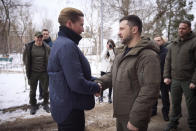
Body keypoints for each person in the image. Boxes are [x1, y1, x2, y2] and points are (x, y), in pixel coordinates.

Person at [96, 15, 161, 131]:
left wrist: (136, 119)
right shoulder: (122, 54)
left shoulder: (148, 56)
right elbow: (113, 74)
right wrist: (100, 83)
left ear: (134, 30)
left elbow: (150, 90)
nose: (118, 32)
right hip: (121, 114)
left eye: (122, 29)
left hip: (133, 117)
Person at [47, 7, 101, 131]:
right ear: (69, 23)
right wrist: (96, 87)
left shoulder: (59, 42)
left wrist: (95, 80)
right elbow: (76, 83)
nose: (83, 29)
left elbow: (68, 76)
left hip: (64, 107)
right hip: (70, 111)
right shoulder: (67, 46)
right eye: (81, 25)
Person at [164, 20, 196, 131]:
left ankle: (193, 125)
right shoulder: (173, 44)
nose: (180, 30)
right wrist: (166, 76)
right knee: (175, 103)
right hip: (175, 80)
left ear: (189, 29)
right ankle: (173, 123)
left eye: (184, 28)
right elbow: (168, 61)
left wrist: (194, 81)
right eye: (179, 28)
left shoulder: (194, 42)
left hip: (189, 80)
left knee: (191, 105)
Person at [23, 31, 50, 115]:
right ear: (34, 38)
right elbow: (25, 59)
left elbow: (50, 58)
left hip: (44, 73)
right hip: (33, 73)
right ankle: (33, 105)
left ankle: (45, 104)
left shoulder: (46, 47)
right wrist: (29, 68)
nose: (39, 39)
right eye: (37, 37)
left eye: (40, 37)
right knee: (32, 91)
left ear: (42, 38)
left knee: (46, 90)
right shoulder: (29, 48)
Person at [151, 36, 170, 121]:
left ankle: (165, 113)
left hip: (164, 77)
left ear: (162, 41)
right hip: (153, 77)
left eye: (158, 40)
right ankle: (153, 111)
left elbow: (169, 65)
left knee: (165, 97)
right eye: (155, 41)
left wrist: (168, 76)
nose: (157, 42)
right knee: (154, 96)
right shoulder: (151, 52)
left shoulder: (166, 51)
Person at [99, 39, 115, 103]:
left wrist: (111, 50)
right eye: (108, 44)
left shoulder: (113, 51)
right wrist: (106, 49)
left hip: (109, 71)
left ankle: (109, 97)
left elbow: (113, 58)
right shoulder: (104, 50)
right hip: (103, 70)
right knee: (101, 84)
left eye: (110, 44)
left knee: (110, 85)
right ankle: (101, 97)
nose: (109, 45)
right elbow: (102, 57)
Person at [38, 29, 53, 100]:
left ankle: (50, 94)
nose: (45, 35)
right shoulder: (38, 42)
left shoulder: (52, 43)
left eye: (46, 34)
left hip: (50, 65)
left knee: (50, 81)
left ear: (48, 34)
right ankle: (41, 95)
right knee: (41, 81)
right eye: (44, 34)